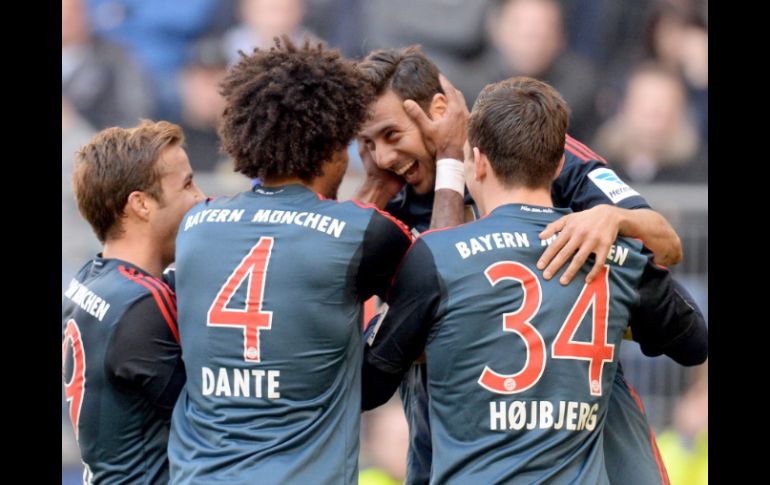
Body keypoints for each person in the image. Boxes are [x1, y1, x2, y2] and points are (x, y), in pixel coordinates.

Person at [354, 45, 686, 485]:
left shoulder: (536, 149)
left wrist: (616, 217)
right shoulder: (393, 195)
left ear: (438, 109)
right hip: (450, 418)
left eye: (392, 135)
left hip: (578, 411)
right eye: (366, 144)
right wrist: (376, 190)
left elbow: (667, 244)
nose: (382, 157)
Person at [167, 37, 412, 484]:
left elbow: (297, 240)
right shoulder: (363, 233)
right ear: (332, 150)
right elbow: (442, 272)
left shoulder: (196, 225)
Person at [61, 120, 205, 483]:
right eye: (187, 184)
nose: (200, 197)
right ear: (140, 204)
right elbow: (207, 423)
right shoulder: (141, 303)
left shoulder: (90, 278)